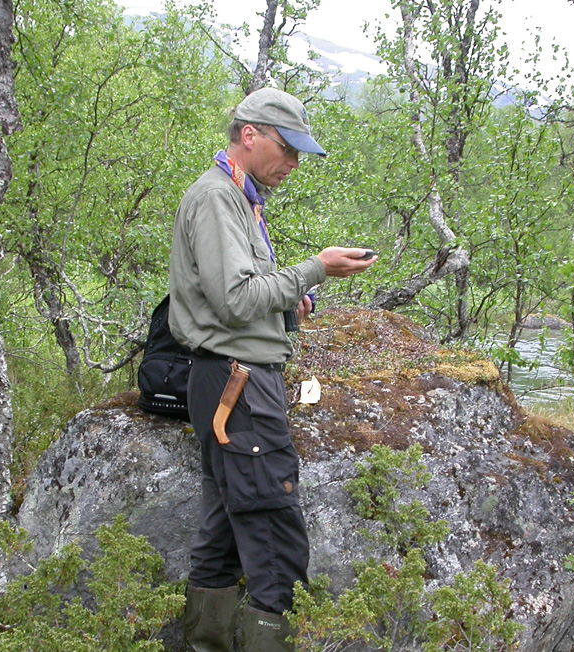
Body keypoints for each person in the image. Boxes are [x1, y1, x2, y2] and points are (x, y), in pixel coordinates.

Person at [169, 87, 377, 652]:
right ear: (249, 135)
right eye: (286, 150)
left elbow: (241, 294)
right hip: (238, 383)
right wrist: (317, 269)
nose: (292, 165)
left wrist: (290, 302)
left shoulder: (241, 198)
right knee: (271, 528)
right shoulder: (217, 198)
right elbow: (236, 300)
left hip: (229, 379)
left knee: (226, 532)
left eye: (299, 155)